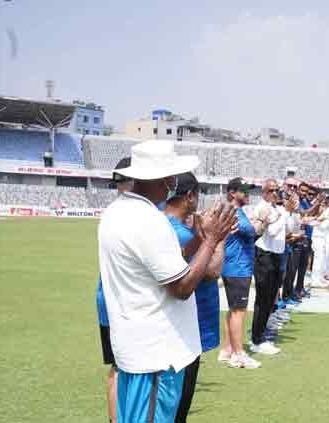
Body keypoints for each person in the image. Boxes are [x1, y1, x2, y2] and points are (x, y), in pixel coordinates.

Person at [98, 140, 235, 423]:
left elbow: (166, 262)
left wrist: (201, 237)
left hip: (138, 347)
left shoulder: (118, 211)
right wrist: (212, 240)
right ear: (168, 179)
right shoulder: (148, 220)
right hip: (155, 356)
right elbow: (182, 287)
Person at [162, 172, 227, 422]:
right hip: (182, 330)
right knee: (177, 406)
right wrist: (217, 239)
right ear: (189, 196)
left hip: (174, 328)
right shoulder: (178, 233)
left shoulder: (165, 225)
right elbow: (211, 272)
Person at [96, 156, 133, 423]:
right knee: (123, 366)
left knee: (118, 366)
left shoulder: (114, 211)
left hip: (109, 299)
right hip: (120, 302)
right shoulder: (130, 215)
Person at [218, 177, 262, 369]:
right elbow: (252, 230)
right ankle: (238, 354)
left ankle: (227, 350)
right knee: (239, 312)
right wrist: (261, 222)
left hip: (235, 267)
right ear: (232, 193)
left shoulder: (237, 211)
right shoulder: (234, 213)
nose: (247, 194)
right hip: (237, 267)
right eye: (244, 191)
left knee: (233, 310)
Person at [249, 179, 288, 355]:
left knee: (270, 298)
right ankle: (256, 339)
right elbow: (271, 232)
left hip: (276, 255)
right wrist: (286, 213)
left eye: (277, 189)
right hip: (265, 255)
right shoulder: (262, 208)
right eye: (271, 190)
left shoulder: (277, 208)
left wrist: (287, 213)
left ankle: (261, 335)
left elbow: (287, 229)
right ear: (264, 192)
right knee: (263, 299)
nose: (275, 192)